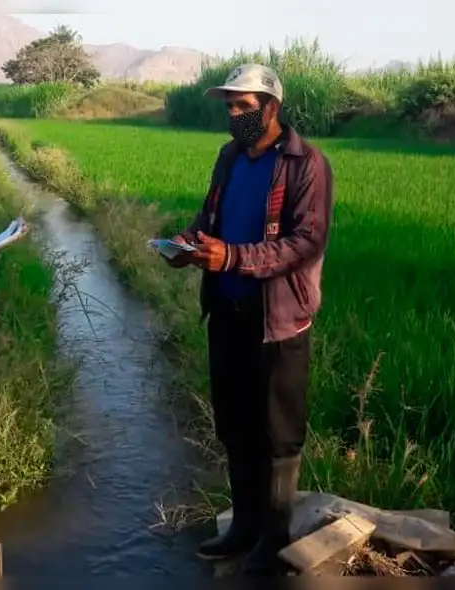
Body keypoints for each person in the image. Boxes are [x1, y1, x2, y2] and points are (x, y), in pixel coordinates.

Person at [165, 63, 334, 575]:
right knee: (236, 424)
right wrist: (189, 243)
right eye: (229, 107)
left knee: (277, 432)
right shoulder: (230, 156)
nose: (234, 115)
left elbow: (306, 242)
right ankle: (243, 525)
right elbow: (210, 216)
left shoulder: (306, 164)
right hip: (228, 311)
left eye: (244, 106)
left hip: (277, 319)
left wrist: (233, 258)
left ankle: (274, 536)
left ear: (272, 108)